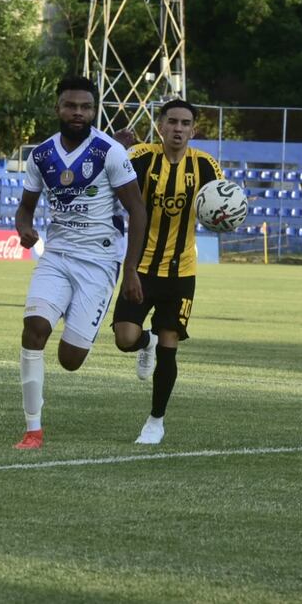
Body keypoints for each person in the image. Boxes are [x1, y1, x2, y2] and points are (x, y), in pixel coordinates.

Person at [13, 76, 146, 450]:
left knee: (70, 360)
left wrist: (131, 268)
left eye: (86, 107)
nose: (78, 113)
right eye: (71, 106)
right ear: (57, 108)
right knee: (34, 328)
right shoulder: (40, 155)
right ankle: (33, 430)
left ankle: (144, 341)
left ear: (94, 111)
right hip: (57, 256)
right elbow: (26, 208)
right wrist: (24, 229)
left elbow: (137, 210)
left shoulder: (110, 152)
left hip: (100, 262)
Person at [111, 99, 224, 445]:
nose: (178, 128)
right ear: (160, 125)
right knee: (124, 338)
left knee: (171, 345)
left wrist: (226, 217)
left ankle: (155, 421)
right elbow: (111, 182)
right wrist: (117, 149)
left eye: (185, 123)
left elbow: (224, 202)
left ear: (193, 129)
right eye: (172, 121)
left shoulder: (206, 165)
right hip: (141, 268)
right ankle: (147, 341)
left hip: (181, 272)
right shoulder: (141, 158)